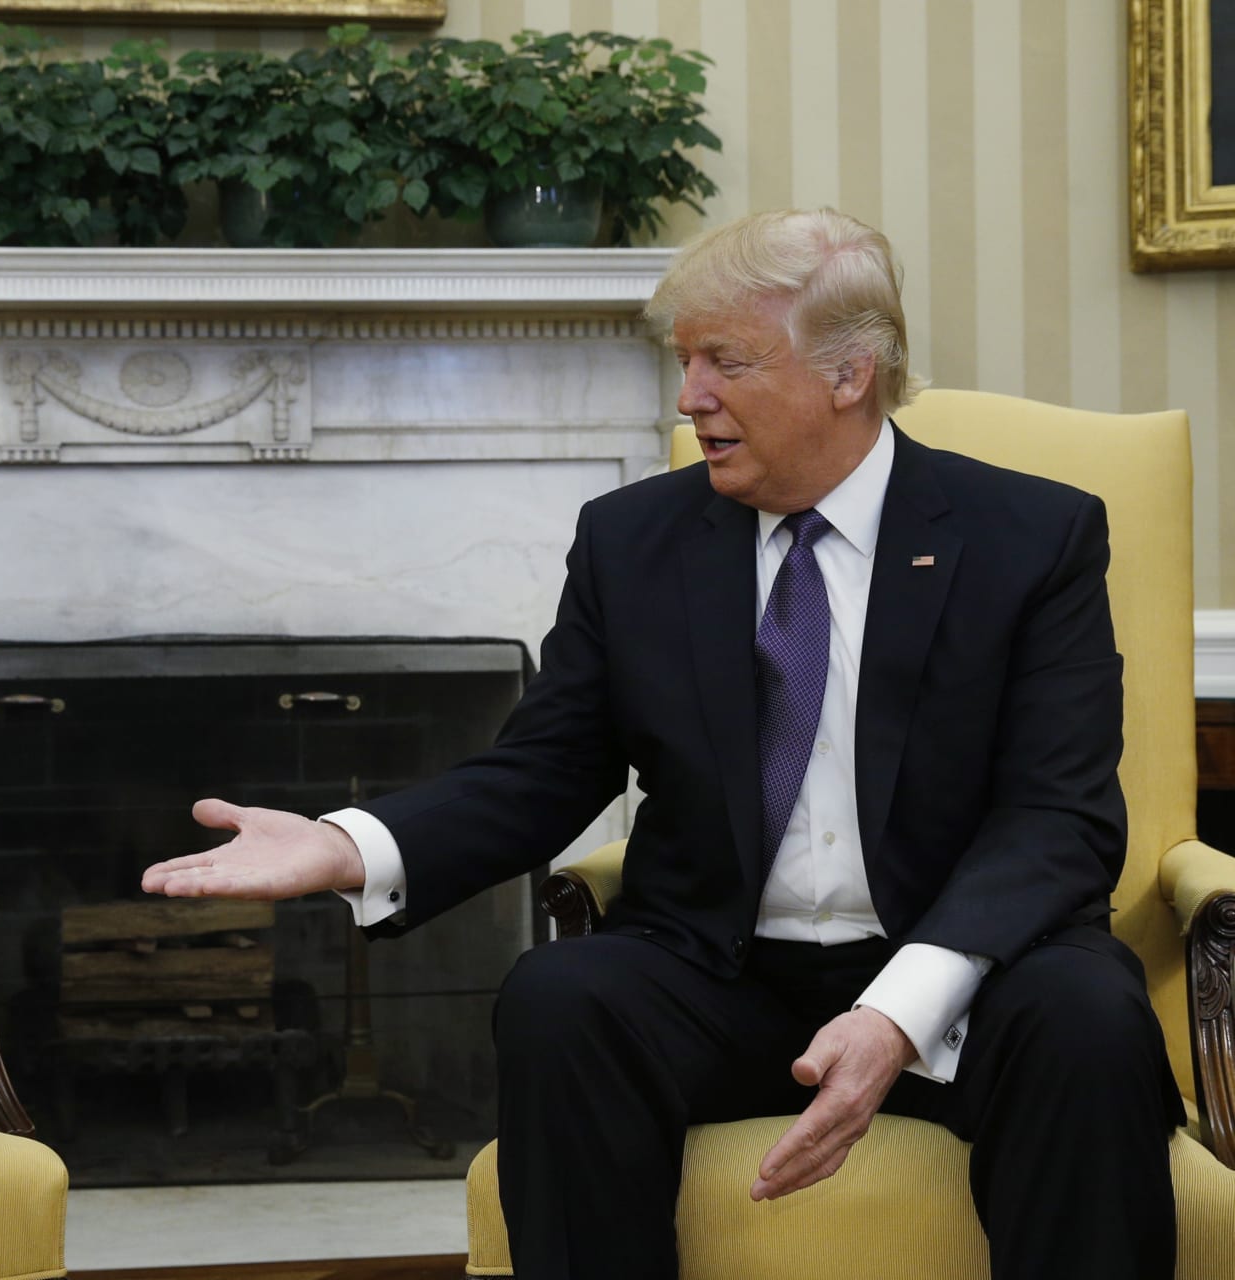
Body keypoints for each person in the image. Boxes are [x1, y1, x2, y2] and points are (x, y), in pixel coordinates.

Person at [143, 208, 1183, 1279]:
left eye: (726, 361)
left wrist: (896, 1012)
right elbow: (547, 766)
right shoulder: (633, 540)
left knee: (1085, 1017)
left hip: (962, 975)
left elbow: (1057, 817)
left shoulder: (1031, 537)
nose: (690, 398)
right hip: (724, 975)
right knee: (560, 1001)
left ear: (850, 372)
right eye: (684, 361)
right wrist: (351, 843)